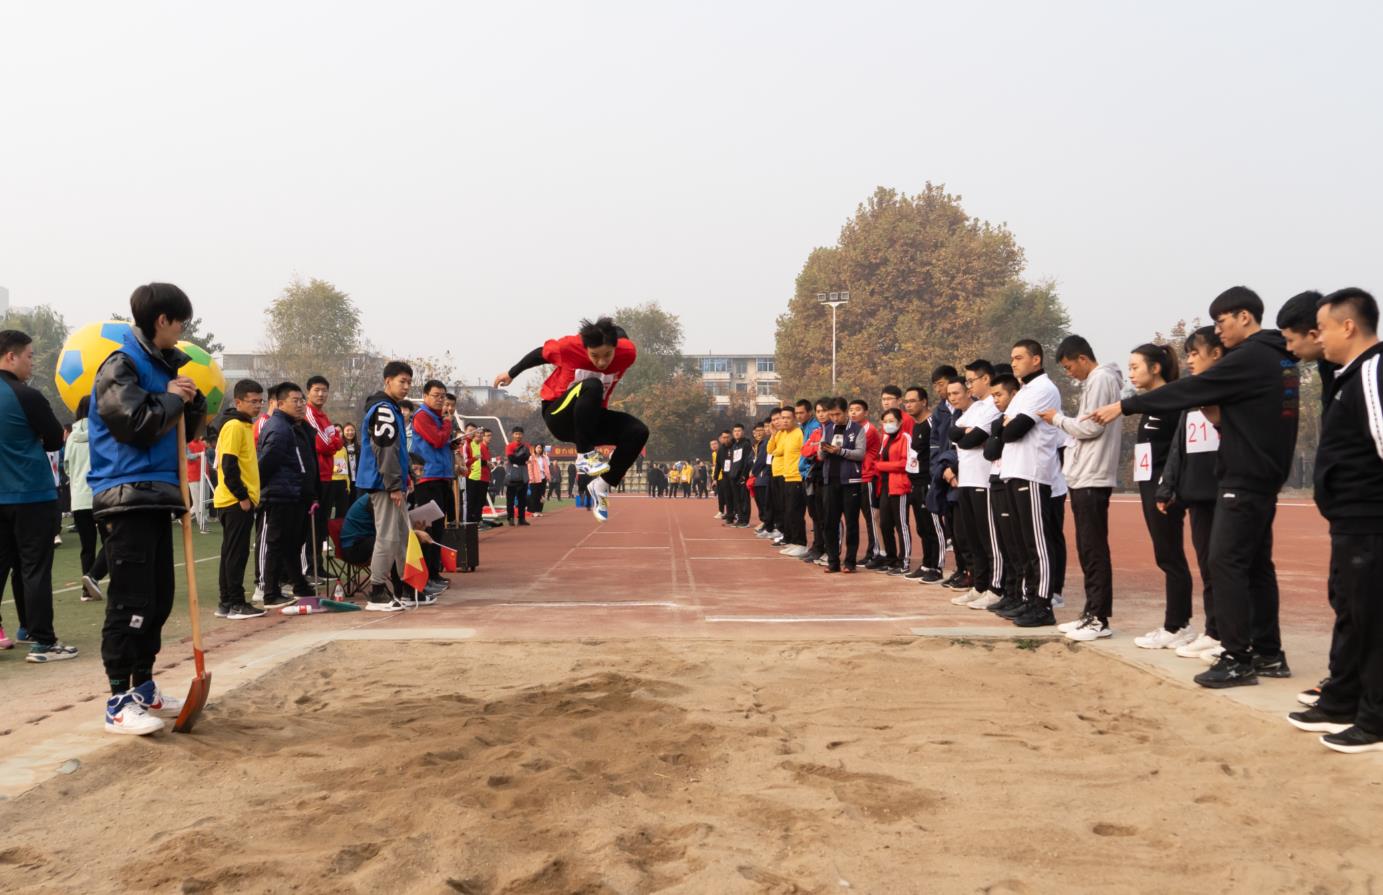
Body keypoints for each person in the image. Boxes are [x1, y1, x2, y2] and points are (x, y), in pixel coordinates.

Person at [1088, 286, 1299, 688]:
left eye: (1221, 322)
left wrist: (1125, 405)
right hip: (1263, 475)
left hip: (1243, 477)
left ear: (1244, 317)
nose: (1218, 331)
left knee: (1224, 563)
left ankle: (1236, 657)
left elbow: (1191, 388)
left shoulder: (1250, 356)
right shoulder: (1280, 358)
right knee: (1256, 567)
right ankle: (1269, 654)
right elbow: (1232, 412)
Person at [88, 283, 208, 733]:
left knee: (157, 599)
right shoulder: (121, 365)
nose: (182, 332)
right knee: (131, 601)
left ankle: (143, 686)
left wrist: (190, 403)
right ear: (162, 320)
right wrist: (172, 398)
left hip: (160, 494)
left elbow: (183, 429)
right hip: (127, 495)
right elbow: (135, 424)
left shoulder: (166, 367)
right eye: (180, 323)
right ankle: (118, 700)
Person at [1291, 288, 1383, 753]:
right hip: (1350, 521)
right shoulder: (1347, 375)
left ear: (1348, 326)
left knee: (1373, 619)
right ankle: (1342, 701)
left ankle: (1376, 719)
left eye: (1323, 328)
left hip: (1370, 521)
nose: (1318, 337)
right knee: (1351, 611)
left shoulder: (1372, 371)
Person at [493, 317, 648, 523]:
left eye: (607, 355)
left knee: (638, 431)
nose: (602, 362)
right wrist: (512, 373)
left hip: (589, 421)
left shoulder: (627, 353)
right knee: (592, 385)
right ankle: (584, 455)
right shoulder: (569, 347)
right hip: (558, 415)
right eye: (594, 355)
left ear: (616, 348)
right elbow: (540, 354)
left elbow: (622, 343)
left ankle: (601, 485)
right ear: (586, 347)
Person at [1042, 336, 1123, 640]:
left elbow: (1090, 427)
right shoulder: (1096, 381)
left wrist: (1057, 419)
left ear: (1082, 358)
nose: (1069, 373)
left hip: (1093, 475)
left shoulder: (1101, 379)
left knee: (1093, 549)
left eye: (1069, 367)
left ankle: (1099, 618)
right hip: (1084, 474)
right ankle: (1091, 613)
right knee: (1088, 549)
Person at [0, 329, 72, 662]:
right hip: (31, 493)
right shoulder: (26, 396)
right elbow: (55, 439)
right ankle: (43, 640)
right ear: (10, 356)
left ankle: (27, 629)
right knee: (34, 568)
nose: (32, 363)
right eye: (29, 356)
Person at [1123, 343, 1197, 650]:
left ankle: (1178, 625)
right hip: (1149, 484)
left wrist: (1167, 487)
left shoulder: (1172, 402)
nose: (1131, 374)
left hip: (1164, 489)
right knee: (1165, 555)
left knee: (1170, 556)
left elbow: (1178, 450)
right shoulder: (1152, 404)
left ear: (1155, 368)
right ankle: (1177, 623)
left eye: (1135, 367)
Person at [1158, 326, 1226, 661]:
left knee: (1226, 567)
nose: (1189, 361)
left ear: (1217, 353)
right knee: (1208, 567)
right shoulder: (1191, 400)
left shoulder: (1232, 392)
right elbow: (1178, 447)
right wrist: (1167, 485)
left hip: (1226, 493)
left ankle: (1229, 633)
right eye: (1187, 355)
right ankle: (1213, 630)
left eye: (1195, 353)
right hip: (1197, 496)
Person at [996, 340, 1063, 628]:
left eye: (1019, 357)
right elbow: (1001, 429)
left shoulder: (1044, 389)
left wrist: (1007, 425)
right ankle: (1029, 598)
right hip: (1013, 471)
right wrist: (1006, 425)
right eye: (1012, 357)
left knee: (1037, 543)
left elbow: (1012, 431)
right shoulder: (1023, 392)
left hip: (1032, 472)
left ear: (1036, 359)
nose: (1013, 362)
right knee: (1022, 543)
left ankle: (1043, 604)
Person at [355, 361, 415, 611]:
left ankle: (407, 588)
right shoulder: (384, 410)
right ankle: (377, 591)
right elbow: (386, 449)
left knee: (401, 537)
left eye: (409, 382)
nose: (407, 386)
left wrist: (406, 476)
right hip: (382, 483)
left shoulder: (390, 408)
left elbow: (397, 450)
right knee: (388, 537)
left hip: (389, 481)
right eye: (402, 381)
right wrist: (393, 485)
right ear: (387, 381)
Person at [256, 382, 317, 609]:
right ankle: (270, 592)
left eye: (302, 400)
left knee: (291, 543)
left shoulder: (291, 426)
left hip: (293, 493)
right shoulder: (279, 428)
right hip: (280, 494)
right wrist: (261, 489)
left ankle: (299, 585)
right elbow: (267, 462)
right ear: (280, 403)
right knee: (276, 543)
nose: (301, 405)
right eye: (295, 401)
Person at [211, 380, 268, 621]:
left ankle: (226, 602)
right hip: (234, 501)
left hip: (235, 500)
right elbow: (228, 465)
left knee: (230, 552)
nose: (258, 405)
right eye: (253, 401)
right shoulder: (234, 426)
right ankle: (235, 602)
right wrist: (242, 496)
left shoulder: (244, 425)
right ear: (238, 402)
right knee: (236, 554)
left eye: (260, 401)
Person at [946, 376, 1003, 607]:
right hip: (966, 480)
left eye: (971, 380)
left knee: (988, 538)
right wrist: (967, 433)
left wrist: (969, 434)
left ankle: (995, 588)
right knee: (972, 538)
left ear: (985, 379)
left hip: (983, 479)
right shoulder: (975, 408)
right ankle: (979, 586)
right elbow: (954, 433)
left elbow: (972, 439)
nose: (969, 386)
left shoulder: (992, 407)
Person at [410, 379, 454, 591]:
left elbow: (441, 442)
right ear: (425, 396)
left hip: (441, 476)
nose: (440, 400)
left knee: (438, 527)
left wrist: (451, 441)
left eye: (443, 396)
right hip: (428, 478)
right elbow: (436, 440)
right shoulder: (422, 416)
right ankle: (426, 576)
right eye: (436, 395)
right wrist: (447, 424)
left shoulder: (437, 418)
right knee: (427, 528)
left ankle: (434, 573)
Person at [65, 396, 108, 602]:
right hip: (100, 495)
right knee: (112, 541)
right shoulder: (102, 432)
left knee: (87, 546)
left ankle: (87, 590)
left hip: (78, 499)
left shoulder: (71, 437)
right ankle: (96, 577)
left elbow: (67, 468)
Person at [819, 397, 865, 573]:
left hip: (850, 482)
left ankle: (850, 562)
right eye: (831, 415)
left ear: (846, 412)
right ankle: (833, 561)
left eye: (837, 414)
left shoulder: (857, 429)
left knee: (851, 522)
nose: (834, 418)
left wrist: (841, 451)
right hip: (830, 481)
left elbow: (860, 454)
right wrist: (823, 449)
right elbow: (820, 456)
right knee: (829, 523)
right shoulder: (828, 428)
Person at [304, 376, 344, 570]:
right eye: (316, 390)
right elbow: (323, 445)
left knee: (321, 525)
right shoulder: (308, 413)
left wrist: (334, 441)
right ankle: (310, 567)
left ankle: (317, 566)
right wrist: (334, 441)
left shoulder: (324, 416)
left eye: (324, 390)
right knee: (312, 526)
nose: (321, 394)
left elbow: (338, 441)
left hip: (328, 476)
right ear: (308, 392)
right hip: (315, 477)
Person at [901, 386, 940, 581]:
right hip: (916, 484)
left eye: (912, 401)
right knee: (922, 528)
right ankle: (926, 564)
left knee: (934, 528)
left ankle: (937, 567)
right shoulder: (915, 425)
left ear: (924, 402)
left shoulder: (932, 423)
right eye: (906, 402)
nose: (908, 405)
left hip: (929, 483)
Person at [873, 407, 914, 574]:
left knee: (901, 525)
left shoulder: (905, 438)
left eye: (892, 421)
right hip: (885, 486)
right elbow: (878, 460)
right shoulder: (885, 439)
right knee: (885, 524)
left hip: (900, 486)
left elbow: (905, 463)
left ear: (900, 422)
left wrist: (881, 466)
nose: (888, 424)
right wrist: (879, 466)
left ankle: (904, 561)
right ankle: (891, 560)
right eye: (885, 421)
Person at [769, 406, 807, 556]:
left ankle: (801, 543)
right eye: (782, 418)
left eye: (787, 418)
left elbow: (805, 453)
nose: (784, 421)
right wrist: (773, 435)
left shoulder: (799, 433)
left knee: (795, 512)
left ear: (795, 419)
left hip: (797, 477)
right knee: (788, 512)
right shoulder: (785, 434)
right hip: (787, 476)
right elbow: (774, 451)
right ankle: (793, 541)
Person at [459, 424, 490, 571]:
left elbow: (478, 461)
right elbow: (466, 462)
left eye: (478, 433)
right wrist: (473, 460)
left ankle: (474, 529)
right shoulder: (467, 444)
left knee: (478, 504)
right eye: (472, 432)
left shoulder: (478, 446)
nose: (476, 435)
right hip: (469, 478)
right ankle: (468, 532)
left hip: (478, 478)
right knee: (468, 506)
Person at [504, 427, 531, 526]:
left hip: (523, 475)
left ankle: (521, 519)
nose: (518, 436)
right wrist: (521, 459)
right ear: (513, 435)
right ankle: (510, 518)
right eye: (516, 434)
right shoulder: (509, 446)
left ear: (522, 435)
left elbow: (526, 457)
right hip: (512, 475)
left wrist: (518, 459)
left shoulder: (526, 446)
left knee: (522, 499)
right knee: (510, 499)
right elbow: (511, 459)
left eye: (520, 434)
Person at [332, 422, 357, 516]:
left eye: (339, 431)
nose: (338, 433)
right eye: (335, 431)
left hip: (346, 483)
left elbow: (345, 468)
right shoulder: (329, 447)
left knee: (343, 511)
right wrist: (336, 469)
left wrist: (348, 484)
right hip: (332, 482)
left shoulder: (344, 449)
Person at [527, 443, 549, 516]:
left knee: (542, 496)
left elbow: (547, 468)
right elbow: (530, 469)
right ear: (535, 448)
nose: (539, 449)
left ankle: (539, 510)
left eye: (540, 448)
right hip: (534, 479)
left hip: (543, 478)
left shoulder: (544, 458)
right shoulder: (531, 458)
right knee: (534, 495)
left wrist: (548, 476)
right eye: (538, 447)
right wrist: (531, 478)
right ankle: (534, 511)